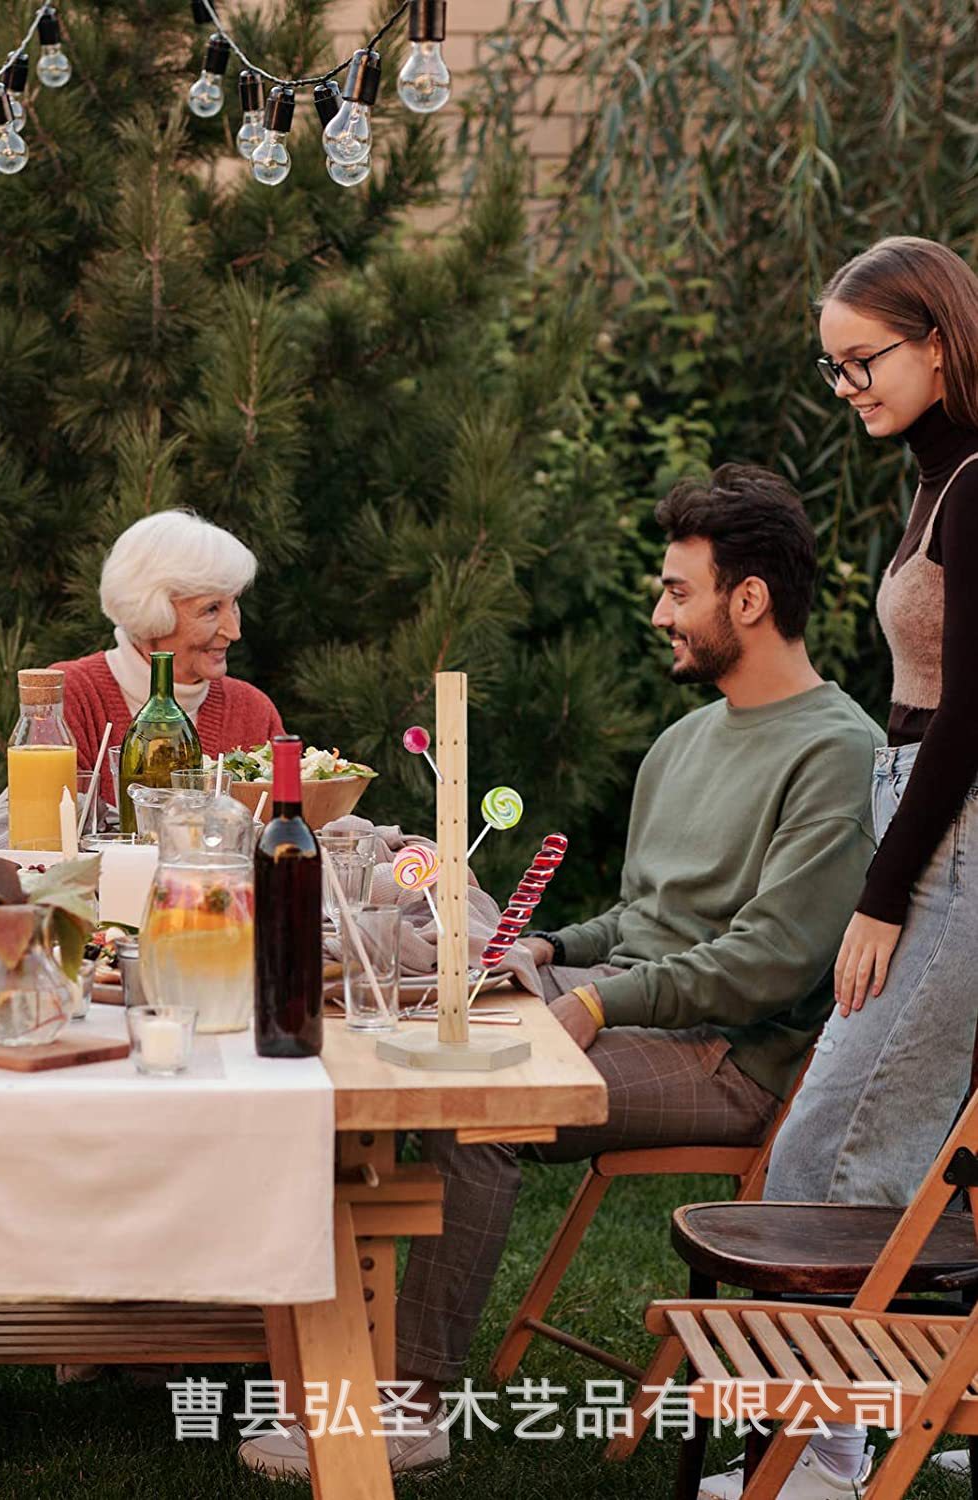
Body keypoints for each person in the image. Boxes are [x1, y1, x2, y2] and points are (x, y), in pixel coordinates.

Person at [240, 465, 884, 1481]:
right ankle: (316, 1367)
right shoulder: (682, 743)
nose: (659, 610)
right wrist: (545, 949)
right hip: (636, 1010)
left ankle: (408, 1406)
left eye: (679, 590)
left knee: (477, 1109)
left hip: (730, 1058)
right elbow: (649, 918)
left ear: (748, 600)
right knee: (369, 1041)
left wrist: (591, 1000)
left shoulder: (839, 752)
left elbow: (768, 961)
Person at [700, 239, 978, 1500]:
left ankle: (827, 1460)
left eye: (862, 360)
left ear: (937, 337)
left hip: (956, 836)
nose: (850, 386)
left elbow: (972, 715)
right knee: (834, 1141)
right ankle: (819, 1446)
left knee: (846, 1148)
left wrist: (880, 894)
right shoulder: (934, 482)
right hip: (921, 817)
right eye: (834, 369)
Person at [50, 510, 284, 793]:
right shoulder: (69, 695)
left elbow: (306, 822)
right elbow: (19, 822)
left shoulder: (252, 711)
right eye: (211, 609)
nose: (233, 631)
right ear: (151, 613)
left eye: (233, 603)